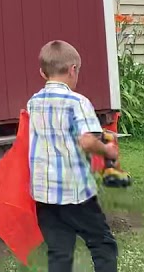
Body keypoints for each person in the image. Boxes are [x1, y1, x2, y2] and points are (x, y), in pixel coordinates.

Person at [27, 40, 119, 272]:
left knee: (59, 252)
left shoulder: (33, 103)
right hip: (75, 192)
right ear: (73, 69)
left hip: (45, 193)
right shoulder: (78, 102)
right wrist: (107, 150)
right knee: (102, 244)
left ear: (42, 72)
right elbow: (86, 140)